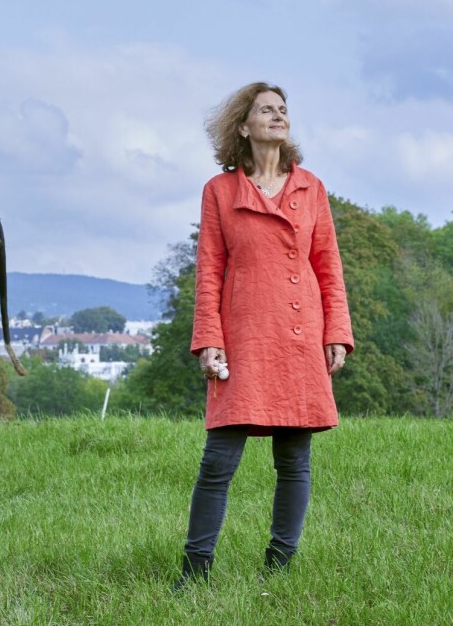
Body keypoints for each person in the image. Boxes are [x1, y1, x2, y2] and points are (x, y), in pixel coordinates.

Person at [173, 82, 354, 589]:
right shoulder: (220, 191)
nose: (278, 116)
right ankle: (194, 574)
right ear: (243, 125)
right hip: (244, 338)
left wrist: (336, 331)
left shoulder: (311, 188)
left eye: (282, 109)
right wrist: (209, 339)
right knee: (218, 461)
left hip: (300, 336)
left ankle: (278, 570)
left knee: (294, 459)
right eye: (265, 110)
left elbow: (328, 266)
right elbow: (209, 270)